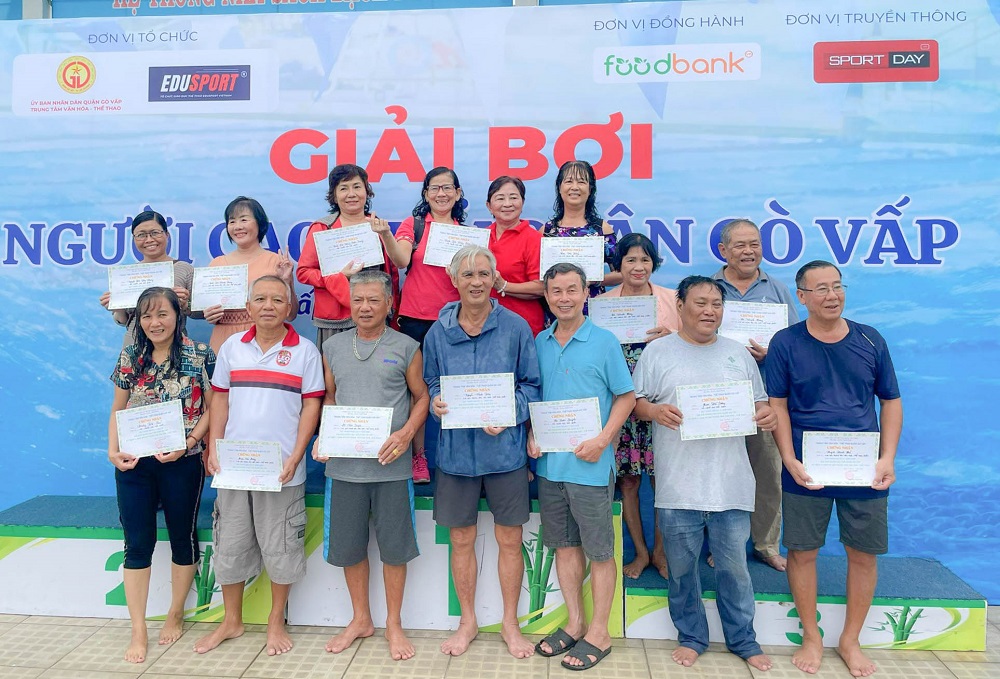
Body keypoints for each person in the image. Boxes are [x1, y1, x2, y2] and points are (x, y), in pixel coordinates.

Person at [767, 261, 901, 677]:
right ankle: (811, 635)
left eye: (837, 287)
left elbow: (891, 402)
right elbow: (777, 405)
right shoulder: (785, 342)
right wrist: (788, 458)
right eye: (821, 288)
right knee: (802, 552)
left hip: (864, 468)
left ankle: (850, 640)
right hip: (806, 467)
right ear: (802, 297)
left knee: (863, 554)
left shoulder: (870, 339)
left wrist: (887, 457)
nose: (832, 295)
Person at [632, 275, 774, 672]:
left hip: (731, 484)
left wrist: (765, 415)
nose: (709, 311)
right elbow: (636, 403)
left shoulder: (739, 354)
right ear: (680, 307)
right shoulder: (657, 353)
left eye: (716, 304)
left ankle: (743, 639)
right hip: (678, 486)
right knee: (681, 572)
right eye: (700, 303)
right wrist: (654, 411)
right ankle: (692, 637)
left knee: (735, 571)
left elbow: (761, 404)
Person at [195, 275, 324, 657]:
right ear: (248, 307)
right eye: (261, 299)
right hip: (234, 467)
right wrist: (214, 447)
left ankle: (275, 620)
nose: (269, 306)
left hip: (282, 470)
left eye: (277, 300)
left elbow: (312, 406)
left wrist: (297, 454)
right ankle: (231, 620)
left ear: (290, 307)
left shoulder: (305, 352)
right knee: (230, 544)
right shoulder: (232, 347)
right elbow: (219, 400)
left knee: (282, 546)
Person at [423, 245, 541, 659]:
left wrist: (510, 413)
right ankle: (468, 621)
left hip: (505, 454)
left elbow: (532, 385)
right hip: (456, 456)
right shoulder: (438, 332)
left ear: (494, 280)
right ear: (454, 280)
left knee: (510, 539)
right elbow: (431, 382)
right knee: (461, 539)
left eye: (483, 274)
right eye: (468, 274)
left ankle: (510, 623)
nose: (476, 282)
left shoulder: (516, 327)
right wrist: (436, 401)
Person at [315, 270, 429, 661]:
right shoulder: (332, 347)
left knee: (395, 549)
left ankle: (393, 624)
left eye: (373, 300)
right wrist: (325, 435)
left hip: (391, 467)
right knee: (349, 547)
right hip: (344, 467)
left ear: (389, 303)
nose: (365, 307)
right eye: (358, 300)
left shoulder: (407, 346)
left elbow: (421, 397)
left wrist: (406, 434)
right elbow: (329, 397)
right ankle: (361, 619)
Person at [529, 263, 635, 671]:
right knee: (565, 547)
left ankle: (600, 633)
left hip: (590, 467)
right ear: (547, 296)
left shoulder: (604, 341)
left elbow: (626, 397)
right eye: (556, 291)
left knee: (600, 551)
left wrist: (603, 439)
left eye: (572, 290)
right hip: (550, 468)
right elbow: (536, 399)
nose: (564, 298)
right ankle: (575, 623)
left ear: (585, 293)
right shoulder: (539, 342)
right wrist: (531, 435)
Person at [107, 287, 214, 663]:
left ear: (178, 316)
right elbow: (118, 407)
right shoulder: (131, 356)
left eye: (162, 314)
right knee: (137, 543)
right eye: (147, 316)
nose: (155, 322)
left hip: (182, 461)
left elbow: (215, 407)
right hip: (135, 464)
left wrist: (191, 442)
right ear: (139, 320)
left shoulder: (200, 354)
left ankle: (175, 612)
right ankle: (138, 629)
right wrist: (112, 450)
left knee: (183, 537)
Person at [713, 218, 800, 572]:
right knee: (720, 477)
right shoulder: (709, 288)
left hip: (765, 401)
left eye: (755, 244)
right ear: (724, 250)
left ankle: (765, 545)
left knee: (768, 476)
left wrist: (772, 355)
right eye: (740, 245)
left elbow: (797, 344)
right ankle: (722, 547)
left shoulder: (777, 291)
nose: (749, 252)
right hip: (718, 401)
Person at [595, 233, 681, 579]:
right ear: (619, 264)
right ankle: (641, 552)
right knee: (628, 482)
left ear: (653, 263)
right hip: (621, 405)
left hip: (661, 404)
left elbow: (692, 343)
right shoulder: (602, 303)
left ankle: (661, 552)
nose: (638, 266)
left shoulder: (672, 300)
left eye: (645, 259)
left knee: (663, 481)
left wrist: (672, 338)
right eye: (630, 259)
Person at [393, 166, 468, 483]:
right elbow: (401, 260)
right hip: (415, 320)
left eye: (448, 187)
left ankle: (461, 455)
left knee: (457, 389)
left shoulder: (465, 234)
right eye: (434, 188)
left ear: (458, 194)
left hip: (453, 320)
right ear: (425, 194)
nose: (441, 193)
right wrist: (386, 235)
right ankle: (418, 457)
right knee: (418, 391)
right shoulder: (414, 225)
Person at [296, 164, 406, 347]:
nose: (351, 194)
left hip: (376, 315)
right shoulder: (322, 228)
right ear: (334, 195)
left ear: (367, 191)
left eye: (357, 187)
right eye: (343, 188)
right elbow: (303, 272)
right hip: (335, 319)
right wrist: (337, 277)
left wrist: (392, 310)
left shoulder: (378, 227)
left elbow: (392, 274)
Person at [200, 197, 295, 354]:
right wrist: (210, 315)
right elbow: (207, 310)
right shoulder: (217, 264)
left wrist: (287, 281)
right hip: (223, 340)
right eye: (232, 221)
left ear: (259, 223)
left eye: (244, 220)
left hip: (265, 338)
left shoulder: (276, 262)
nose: (238, 226)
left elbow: (291, 315)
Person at [99, 209, 194, 346]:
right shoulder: (127, 274)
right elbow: (123, 320)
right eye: (141, 235)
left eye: (155, 233)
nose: (149, 240)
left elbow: (200, 313)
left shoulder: (183, 268)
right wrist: (117, 307)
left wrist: (185, 305)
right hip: (134, 345)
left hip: (174, 346)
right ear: (134, 239)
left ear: (166, 234)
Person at [542, 160, 622, 307]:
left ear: (590, 189)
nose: (574, 187)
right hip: (557, 308)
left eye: (581, 182)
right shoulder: (547, 231)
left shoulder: (601, 229)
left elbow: (621, 274)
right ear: (559, 188)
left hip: (592, 308)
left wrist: (594, 280)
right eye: (569, 181)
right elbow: (537, 278)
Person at [485, 176, 545, 336]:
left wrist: (504, 286)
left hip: (523, 325)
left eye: (513, 197)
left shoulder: (534, 239)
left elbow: (541, 287)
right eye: (500, 198)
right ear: (489, 206)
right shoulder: (480, 237)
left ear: (522, 202)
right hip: (485, 324)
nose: (507, 204)